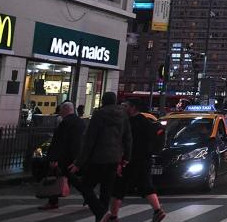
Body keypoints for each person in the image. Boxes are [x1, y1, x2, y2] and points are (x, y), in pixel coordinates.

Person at [68, 92, 132, 222]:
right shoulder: (123, 115)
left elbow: (89, 140)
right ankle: (102, 216)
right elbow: (128, 138)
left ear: (103, 101)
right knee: (106, 191)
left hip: (98, 157)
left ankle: (100, 212)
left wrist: (79, 162)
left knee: (86, 187)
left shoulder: (99, 114)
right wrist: (126, 158)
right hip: (114, 158)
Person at [100, 99, 165, 222]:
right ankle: (157, 210)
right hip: (144, 159)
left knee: (118, 188)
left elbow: (123, 142)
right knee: (146, 186)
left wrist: (122, 159)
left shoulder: (128, 123)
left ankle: (113, 216)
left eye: (125, 106)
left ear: (133, 108)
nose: (122, 108)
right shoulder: (146, 122)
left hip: (129, 160)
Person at [39, 101, 85, 211]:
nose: (60, 112)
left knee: (57, 178)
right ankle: (88, 197)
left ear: (65, 109)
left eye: (61, 110)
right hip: (75, 157)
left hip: (64, 157)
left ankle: (53, 201)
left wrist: (54, 158)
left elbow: (59, 142)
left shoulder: (65, 123)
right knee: (74, 181)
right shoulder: (80, 122)